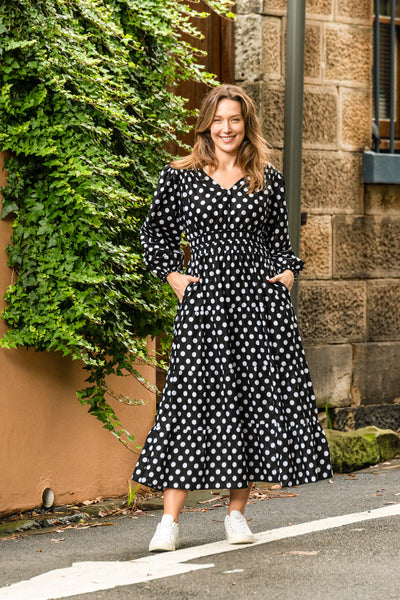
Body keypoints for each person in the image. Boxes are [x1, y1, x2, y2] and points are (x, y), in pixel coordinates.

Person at [132, 84, 332, 552]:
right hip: (205, 308)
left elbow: (282, 245)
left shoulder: (267, 179)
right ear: (206, 123)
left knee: (251, 405)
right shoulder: (179, 177)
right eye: (218, 119)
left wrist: (284, 274)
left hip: (258, 310)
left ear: (247, 125)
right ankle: (168, 522)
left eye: (235, 120)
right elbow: (154, 235)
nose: (226, 128)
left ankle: (236, 514)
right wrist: (174, 277)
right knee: (188, 406)